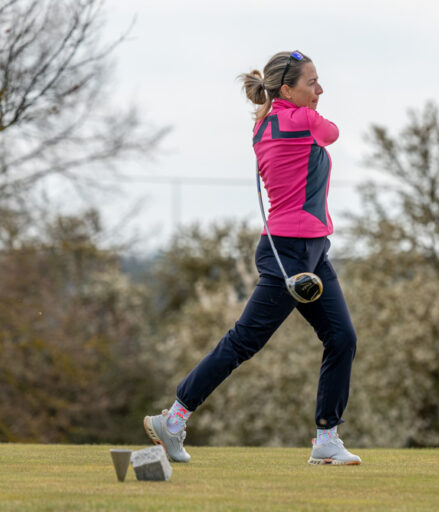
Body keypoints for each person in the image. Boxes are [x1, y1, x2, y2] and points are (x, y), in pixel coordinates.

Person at [143, 50, 360, 466]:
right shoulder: (301, 121)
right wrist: (309, 114)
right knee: (244, 341)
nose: (320, 89)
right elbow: (332, 132)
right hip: (290, 251)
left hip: (311, 249)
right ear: (287, 90)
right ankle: (172, 420)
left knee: (342, 338)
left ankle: (327, 439)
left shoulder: (266, 124)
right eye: (311, 82)